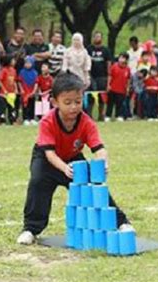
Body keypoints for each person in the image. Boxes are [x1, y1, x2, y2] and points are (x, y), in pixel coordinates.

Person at [16, 72, 134, 245]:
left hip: (73, 158)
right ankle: (30, 230)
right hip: (47, 158)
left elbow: (98, 148)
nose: (73, 107)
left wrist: (103, 162)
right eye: (67, 102)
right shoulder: (47, 122)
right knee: (38, 182)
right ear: (55, 102)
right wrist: (64, 168)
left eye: (77, 102)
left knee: (95, 186)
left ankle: (121, 222)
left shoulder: (86, 122)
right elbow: (49, 153)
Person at [86, 31, 112, 120]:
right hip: (91, 76)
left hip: (102, 77)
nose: (97, 38)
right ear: (93, 38)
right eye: (96, 36)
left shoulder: (106, 50)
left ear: (101, 38)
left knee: (102, 97)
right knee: (90, 97)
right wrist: (87, 75)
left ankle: (101, 115)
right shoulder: (89, 49)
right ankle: (89, 115)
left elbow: (109, 64)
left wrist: (108, 78)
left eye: (99, 36)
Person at [105, 53, 130, 122]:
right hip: (113, 88)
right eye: (121, 58)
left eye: (123, 58)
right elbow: (110, 76)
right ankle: (108, 116)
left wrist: (127, 88)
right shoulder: (114, 66)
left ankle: (119, 115)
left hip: (122, 90)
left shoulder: (127, 69)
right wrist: (108, 85)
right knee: (110, 103)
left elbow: (128, 79)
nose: (122, 59)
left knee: (120, 104)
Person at [0, 55, 19, 124]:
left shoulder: (14, 70)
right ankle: (2, 121)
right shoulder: (4, 70)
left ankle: (13, 120)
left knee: (12, 107)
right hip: (4, 94)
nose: (14, 61)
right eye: (12, 60)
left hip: (12, 93)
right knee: (3, 108)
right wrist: (4, 90)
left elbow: (14, 81)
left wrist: (16, 89)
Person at [18, 56, 38, 125]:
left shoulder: (35, 72)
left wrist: (34, 91)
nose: (27, 65)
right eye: (26, 63)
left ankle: (32, 118)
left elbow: (36, 83)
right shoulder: (22, 72)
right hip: (24, 92)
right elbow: (19, 82)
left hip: (32, 91)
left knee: (32, 105)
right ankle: (25, 118)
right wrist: (21, 89)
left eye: (29, 63)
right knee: (25, 106)